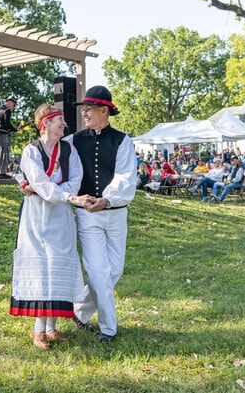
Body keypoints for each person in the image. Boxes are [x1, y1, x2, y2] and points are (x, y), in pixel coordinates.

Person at [9, 103, 87, 350]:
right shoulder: (31, 151)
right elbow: (39, 182)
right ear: (46, 123)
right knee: (41, 266)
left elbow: (76, 179)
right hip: (36, 215)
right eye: (60, 120)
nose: (65, 124)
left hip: (60, 212)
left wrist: (62, 195)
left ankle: (51, 329)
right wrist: (61, 195)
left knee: (58, 263)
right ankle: (38, 330)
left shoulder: (69, 149)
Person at [65, 85, 136, 343]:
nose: (84, 114)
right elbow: (49, 155)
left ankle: (79, 312)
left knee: (114, 271)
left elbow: (126, 177)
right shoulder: (73, 141)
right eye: (83, 110)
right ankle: (109, 329)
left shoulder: (122, 141)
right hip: (87, 215)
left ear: (104, 111)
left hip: (116, 214)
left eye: (89, 110)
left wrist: (108, 200)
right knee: (97, 272)